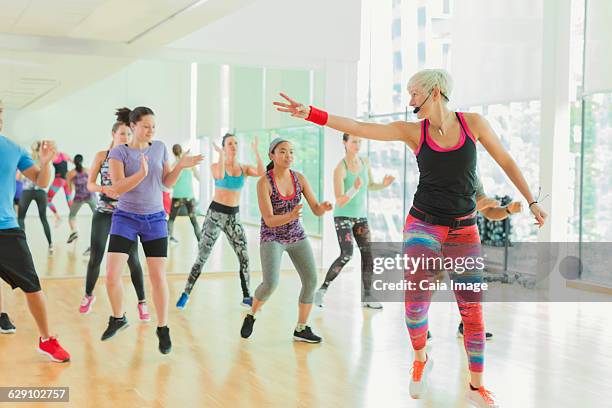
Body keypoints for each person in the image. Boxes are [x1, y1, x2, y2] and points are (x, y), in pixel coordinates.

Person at [273, 69, 547, 407]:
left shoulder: (472, 124)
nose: (410, 101)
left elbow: (505, 160)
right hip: (423, 225)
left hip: (463, 227)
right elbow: (360, 127)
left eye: (413, 93)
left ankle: (477, 387)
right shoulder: (413, 133)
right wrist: (312, 113)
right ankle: (420, 359)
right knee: (415, 305)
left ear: (434, 92)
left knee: (472, 311)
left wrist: (530, 201)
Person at [101, 106, 202, 355]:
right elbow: (118, 188)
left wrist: (180, 166)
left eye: (153, 127)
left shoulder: (159, 148)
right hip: (125, 217)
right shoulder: (118, 153)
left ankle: (163, 327)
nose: (151, 131)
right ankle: (118, 317)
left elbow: (166, 184)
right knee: (112, 275)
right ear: (133, 126)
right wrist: (142, 173)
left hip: (155, 218)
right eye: (146, 126)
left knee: (158, 277)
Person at [240, 138, 332, 343]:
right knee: (271, 283)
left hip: (296, 234)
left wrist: (323, 207)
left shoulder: (299, 178)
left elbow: (316, 209)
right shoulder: (264, 182)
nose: (288, 156)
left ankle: (301, 328)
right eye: (282, 151)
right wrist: (290, 215)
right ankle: (252, 314)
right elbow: (270, 220)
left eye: (291, 152)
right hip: (272, 236)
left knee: (311, 280)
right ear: (272, 155)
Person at [0, 98, 70, 361]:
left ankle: (47, 340)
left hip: (7, 229)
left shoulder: (12, 149)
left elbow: (40, 181)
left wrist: (46, 162)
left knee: (33, 287)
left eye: (0, 113)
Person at [427, 178, 523, 341]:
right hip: (437, 233)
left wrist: (508, 210)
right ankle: (420, 323)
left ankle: (468, 327)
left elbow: (490, 213)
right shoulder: (440, 174)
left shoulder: (474, 180)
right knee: (435, 278)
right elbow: (455, 210)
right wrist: (482, 203)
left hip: (464, 238)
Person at [176, 133, 264, 309]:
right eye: (230, 143)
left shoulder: (244, 168)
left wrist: (255, 151)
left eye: (236, 143)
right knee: (202, 256)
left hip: (234, 217)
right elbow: (221, 177)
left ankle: (247, 296)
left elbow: (262, 172)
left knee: (244, 256)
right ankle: (186, 292)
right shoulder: (216, 165)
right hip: (215, 215)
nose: (234, 146)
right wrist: (222, 157)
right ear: (224, 148)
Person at [314, 132, 395, 309]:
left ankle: (367, 296)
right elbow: (340, 199)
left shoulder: (365, 162)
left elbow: (370, 185)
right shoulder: (340, 168)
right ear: (345, 143)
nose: (357, 144)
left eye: (359, 141)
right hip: (342, 216)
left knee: (368, 255)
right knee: (347, 254)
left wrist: (384, 184)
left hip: (361, 217)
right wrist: (354, 188)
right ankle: (321, 291)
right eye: (353, 141)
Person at [79, 121, 149, 321]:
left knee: (133, 259)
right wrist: (104, 189)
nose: (125, 137)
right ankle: (88, 295)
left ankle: (142, 302)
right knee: (96, 256)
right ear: (113, 134)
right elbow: (90, 185)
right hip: (103, 211)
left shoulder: (133, 157)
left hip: (126, 214)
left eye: (128, 134)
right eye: (122, 134)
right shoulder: (102, 156)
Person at [18, 141, 54, 254]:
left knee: (20, 218)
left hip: (28, 191)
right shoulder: (46, 161)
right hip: (41, 191)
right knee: (43, 218)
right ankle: (50, 245)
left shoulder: (27, 160)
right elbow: (47, 178)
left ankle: (21, 244)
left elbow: (19, 177)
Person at [167, 143, 201, 244]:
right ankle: (200, 240)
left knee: (172, 218)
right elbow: (198, 176)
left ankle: (169, 238)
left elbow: (171, 184)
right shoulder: (189, 164)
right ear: (181, 150)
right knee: (194, 220)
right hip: (189, 196)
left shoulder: (174, 165)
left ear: (173, 153)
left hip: (177, 196)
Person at [66, 154, 96, 244]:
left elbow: (70, 190)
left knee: (72, 216)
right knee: (98, 215)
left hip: (79, 197)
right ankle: (98, 234)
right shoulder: (88, 170)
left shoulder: (70, 173)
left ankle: (74, 231)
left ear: (74, 162)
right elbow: (92, 183)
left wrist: (76, 186)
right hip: (90, 195)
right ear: (82, 161)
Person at [47, 150, 73, 225]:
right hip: (67, 180)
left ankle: (57, 216)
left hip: (59, 180)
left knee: (47, 199)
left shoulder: (52, 156)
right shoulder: (64, 154)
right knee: (69, 200)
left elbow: (44, 163)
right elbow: (76, 163)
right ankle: (72, 218)